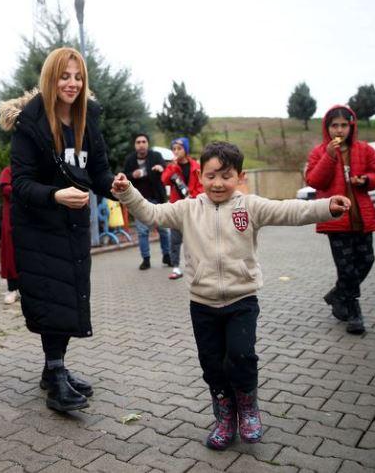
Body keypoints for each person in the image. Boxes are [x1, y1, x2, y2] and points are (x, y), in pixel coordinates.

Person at [112, 141, 349, 450]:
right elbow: (152, 214)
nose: (218, 183)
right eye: (211, 176)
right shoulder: (188, 209)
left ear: (240, 175)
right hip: (202, 303)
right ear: (200, 174)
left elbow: (291, 210)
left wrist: (325, 206)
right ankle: (225, 415)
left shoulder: (250, 206)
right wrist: (127, 191)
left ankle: (248, 407)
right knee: (211, 363)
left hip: (242, 300)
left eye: (226, 176)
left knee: (241, 355)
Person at [0, 47, 115, 412]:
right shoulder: (30, 124)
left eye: (78, 77)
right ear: (50, 78)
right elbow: (21, 183)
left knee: (69, 297)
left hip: (74, 227)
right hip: (38, 227)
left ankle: (54, 371)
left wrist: (118, 186)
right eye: (65, 76)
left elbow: (100, 173)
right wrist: (56, 196)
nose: (72, 83)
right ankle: (56, 375)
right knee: (52, 299)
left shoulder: (87, 121)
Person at [306, 105, 375, 335]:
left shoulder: (364, 150)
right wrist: (329, 156)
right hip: (337, 220)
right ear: (327, 128)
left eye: (344, 125)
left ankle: (338, 294)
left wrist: (365, 179)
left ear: (351, 126)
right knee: (346, 269)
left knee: (366, 260)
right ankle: (354, 312)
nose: (339, 130)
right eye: (334, 125)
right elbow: (315, 180)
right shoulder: (319, 152)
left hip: (362, 219)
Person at [123, 133, 170, 269]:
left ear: (147, 144)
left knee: (163, 229)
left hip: (158, 199)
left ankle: (167, 256)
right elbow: (124, 176)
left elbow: (166, 170)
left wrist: (161, 168)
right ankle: (146, 259)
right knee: (143, 231)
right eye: (138, 142)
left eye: (144, 141)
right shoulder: (130, 160)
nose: (141, 144)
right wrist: (132, 175)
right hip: (139, 202)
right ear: (135, 145)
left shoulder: (156, 156)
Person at [162, 137, 203, 280]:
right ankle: (176, 267)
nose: (176, 151)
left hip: (193, 206)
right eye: (174, 149)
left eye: (179, 148)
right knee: (175, 239)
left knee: (193, 238)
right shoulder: (172, 166)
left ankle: (196, 267)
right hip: (177, 207)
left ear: (186, 149)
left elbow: (201, 185)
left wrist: (195, 197)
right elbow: (165, 180)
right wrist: (172, 166)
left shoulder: (195, 166)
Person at [0, 164, 20, 304]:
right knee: (11, 253)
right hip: (12, 217)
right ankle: (12, 288)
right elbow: (5, 188)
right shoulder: (8, 170)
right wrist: (24, 190)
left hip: (32, 217)